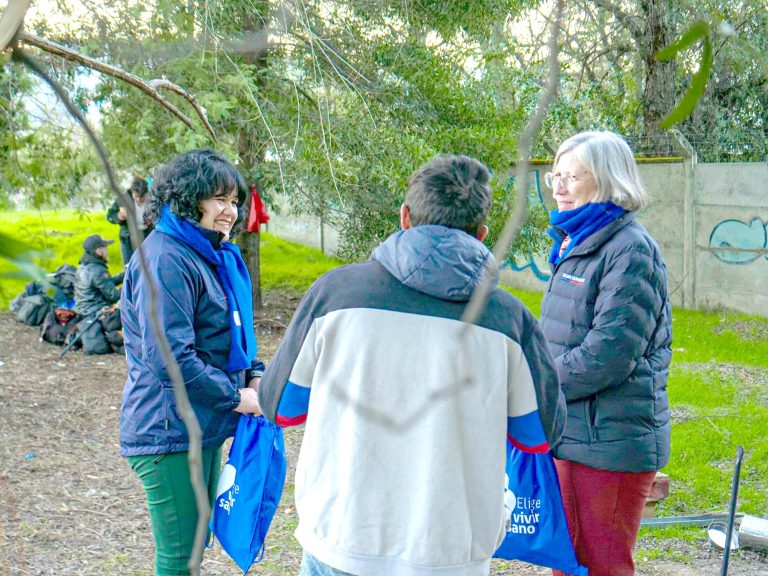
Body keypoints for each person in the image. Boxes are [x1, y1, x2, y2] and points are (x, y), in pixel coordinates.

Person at [258, 154, 566, 576]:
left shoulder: (335, 295)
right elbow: (539, 435)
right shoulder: (509, 321)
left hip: (343, 537)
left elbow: (282, 408)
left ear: (404, 217)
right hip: (451, 550)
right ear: (481, 234)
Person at [119, 149, 264, 575]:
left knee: (194, 548)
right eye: (218, 199)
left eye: (234, 201)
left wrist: (253, 375)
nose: (229, 212)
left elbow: (230, 334)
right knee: (180, 557)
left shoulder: (210, 254)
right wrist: (236, 397)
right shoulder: (165, 259)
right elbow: (170, 358)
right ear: (188, 198)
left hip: (201, 424)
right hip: (168, 432)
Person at [538, 131, 672, 576]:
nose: (558, 187)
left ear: (609, 181)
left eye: (571, 176)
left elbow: (609, 353)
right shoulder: (576, 244)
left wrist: (538, 380)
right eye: (554, 176)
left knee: (601, 565)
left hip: (611, 444)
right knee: (567, 561)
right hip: (573, 434)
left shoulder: (630, 249)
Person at [73, 234, 124, 354]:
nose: (107, 250)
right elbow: (114, 296)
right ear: (99, 251)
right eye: (105, 248)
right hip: (96, 312)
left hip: (82, 310)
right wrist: (131, 285)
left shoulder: (83, 266)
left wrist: (126, 274)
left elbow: (106, 283)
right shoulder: (98, 270)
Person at [107, 176, 153, 267]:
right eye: (136, 196)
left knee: (149, 263)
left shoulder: (151, 199)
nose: (139, 199)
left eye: (142, 197)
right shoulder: (123, 199)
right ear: (132, 192)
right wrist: (118, 217)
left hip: (147, 234)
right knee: (129, 266)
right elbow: (109, 216)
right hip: (128, 237)